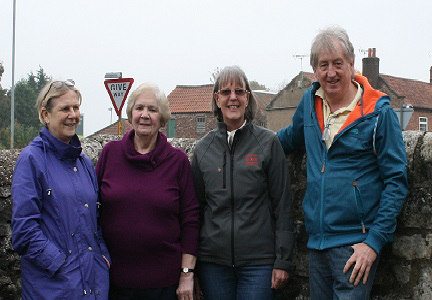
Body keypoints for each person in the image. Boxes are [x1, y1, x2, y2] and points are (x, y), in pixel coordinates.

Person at [277, 26, 408, 300]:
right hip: (318, 243)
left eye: (338, 64)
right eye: (323, 65)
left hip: (354, 246)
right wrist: (250, 143)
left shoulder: (378, 113)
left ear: (351, 64)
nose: (331, 72)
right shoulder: (310, 102)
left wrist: (373, 243)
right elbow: (289, 138)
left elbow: (396, 181)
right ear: (315, 70)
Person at [191, 65, 296, 300]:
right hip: (213, 264)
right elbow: (195, 210)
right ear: (217, 99)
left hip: (258, 264)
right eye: (226, 92)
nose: (233, 97)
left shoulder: (268, 143)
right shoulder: (202, 149)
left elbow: (283, 205)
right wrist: (193, 268)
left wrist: (282, 260)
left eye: (240, 91)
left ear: (247, 98)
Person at [96, 83, 200, 300]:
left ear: (162, 119)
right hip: (113, 280)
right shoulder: (110, 154)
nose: (145, 115)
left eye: (152, 110)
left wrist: (187, 274)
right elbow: (91, 208)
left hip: (164, 284)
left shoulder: (177, 161)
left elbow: (190, 220)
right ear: (130, 114)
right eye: (139, 108)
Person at [11, 80, 111, 299]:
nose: (73, 114)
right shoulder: (32, 160)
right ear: (46, 115)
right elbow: (24, 231)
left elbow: (95, 219)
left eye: (76, 108)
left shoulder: (84, 163)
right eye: (65, 109)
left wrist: (102, 256)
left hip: (93, 284)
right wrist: (60, 264)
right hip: (52, 288)